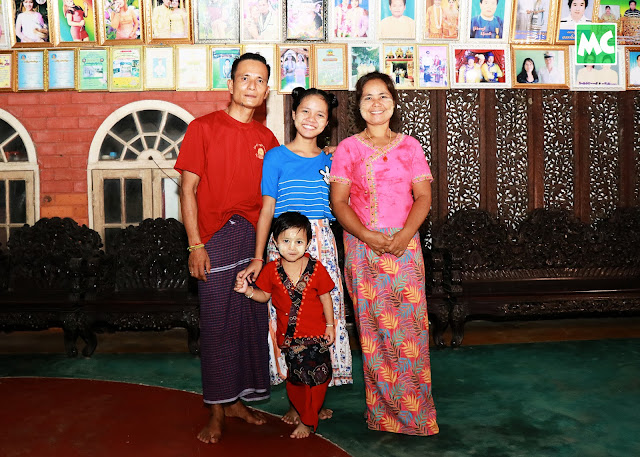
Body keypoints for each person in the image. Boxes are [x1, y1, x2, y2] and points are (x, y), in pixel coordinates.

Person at [174, 53, 280, 444]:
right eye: (245, 78)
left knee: (249, 321)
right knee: (217, 324)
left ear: (266, 91)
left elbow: (272, 198)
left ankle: (237, 401)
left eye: (260, 80)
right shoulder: (202, 128)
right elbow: (187, 190)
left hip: (253, 239)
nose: (252, 86)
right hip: (213, 237)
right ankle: (216, 410)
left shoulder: (267, 139)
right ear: (231, 85)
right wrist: (195, 244)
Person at [329, 71, 439, 436]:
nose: (376, 104)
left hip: (406, 247)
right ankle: (383, 415)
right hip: (362, 246)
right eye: (368, 97)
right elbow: (339, 202)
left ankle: (418, 416)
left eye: (383, 96)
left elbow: (423, 197)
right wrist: (367, 236)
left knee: (411, 330)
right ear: (358, 106)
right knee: (374, 331)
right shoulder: (348, 148)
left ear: (393, 102)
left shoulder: (411, 147)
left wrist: (404, 235)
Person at [238, 86, 352, 424]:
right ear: (292, 114)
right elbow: (266, 210)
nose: (311, 119)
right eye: (305, 111)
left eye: (320, 114)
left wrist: (339, 153)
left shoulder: (332, 160)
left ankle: (316, 397)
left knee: (323, 314)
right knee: (287, 317)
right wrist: (259, 257)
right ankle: (295, 400)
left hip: (322, 243)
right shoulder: (275, 157)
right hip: (284, 241)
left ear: (328, 123)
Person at [235, 212, 336, 439]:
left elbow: (326, 297)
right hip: (290, 339)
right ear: (275, 242)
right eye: (286, 241)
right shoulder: (271, 270)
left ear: (308, 243)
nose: (292, 247)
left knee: (319, 379)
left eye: (299, 242)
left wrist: (330, 325)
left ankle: (308, 420)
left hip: (317, 336)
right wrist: (248, 291)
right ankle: (306, 412)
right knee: (297, 381)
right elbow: (264, 296)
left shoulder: (316, 268)